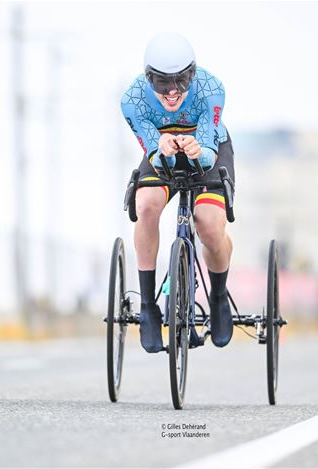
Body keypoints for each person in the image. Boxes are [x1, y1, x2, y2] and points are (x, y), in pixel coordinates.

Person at [121, 32, 235, 353]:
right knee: (145, 205)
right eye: (161, 83)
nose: (173, 92)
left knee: (209, 225)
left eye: (182, 81)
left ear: (193, 73)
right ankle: (148, 307)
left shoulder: (211, 89)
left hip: (207, 150)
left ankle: (218, 294)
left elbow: (210, 153)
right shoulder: (132, 100)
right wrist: (165, 150)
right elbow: (154, 154)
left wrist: (199, 150)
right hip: (162, 150)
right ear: (148, 79)